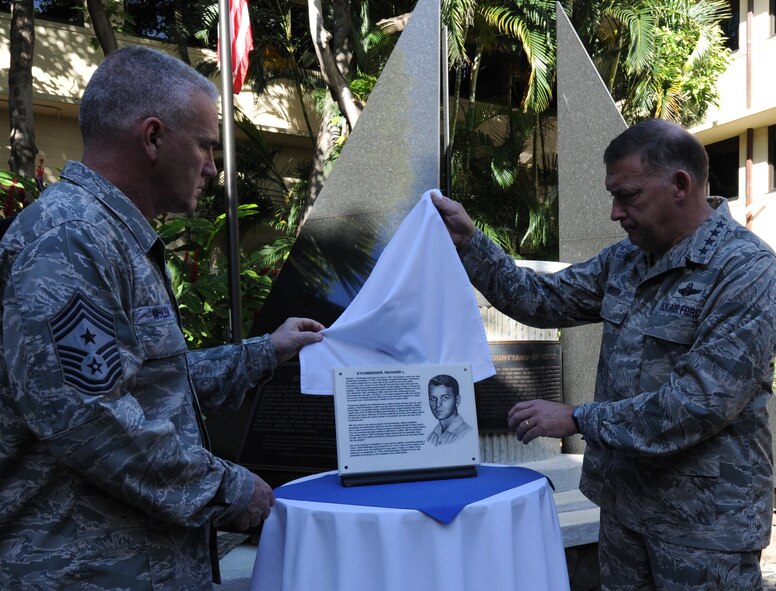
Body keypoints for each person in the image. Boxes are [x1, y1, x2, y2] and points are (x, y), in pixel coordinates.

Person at [0, 45, 325, 590]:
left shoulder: (110, 238)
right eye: (204, 145)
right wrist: (226, 487)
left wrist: (266, 351)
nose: (213, 167)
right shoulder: (69, 238)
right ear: (152, 137)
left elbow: (150, 387)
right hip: (85, 573)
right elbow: (92, 420)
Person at [432, 118, 776, 590]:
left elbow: (699, 402)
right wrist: (470, 243)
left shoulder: (747, 271)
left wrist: (577, 419)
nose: (615, 212)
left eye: (628, 195)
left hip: (704, 527)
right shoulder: (627, 260)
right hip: (624, 511)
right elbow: (540, 299)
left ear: (680, 185)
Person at [426, 374, 472, 445]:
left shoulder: (467, 433)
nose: (438, 404)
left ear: (457, 400)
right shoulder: (430, 437)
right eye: (433, 398)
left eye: (445, 397)